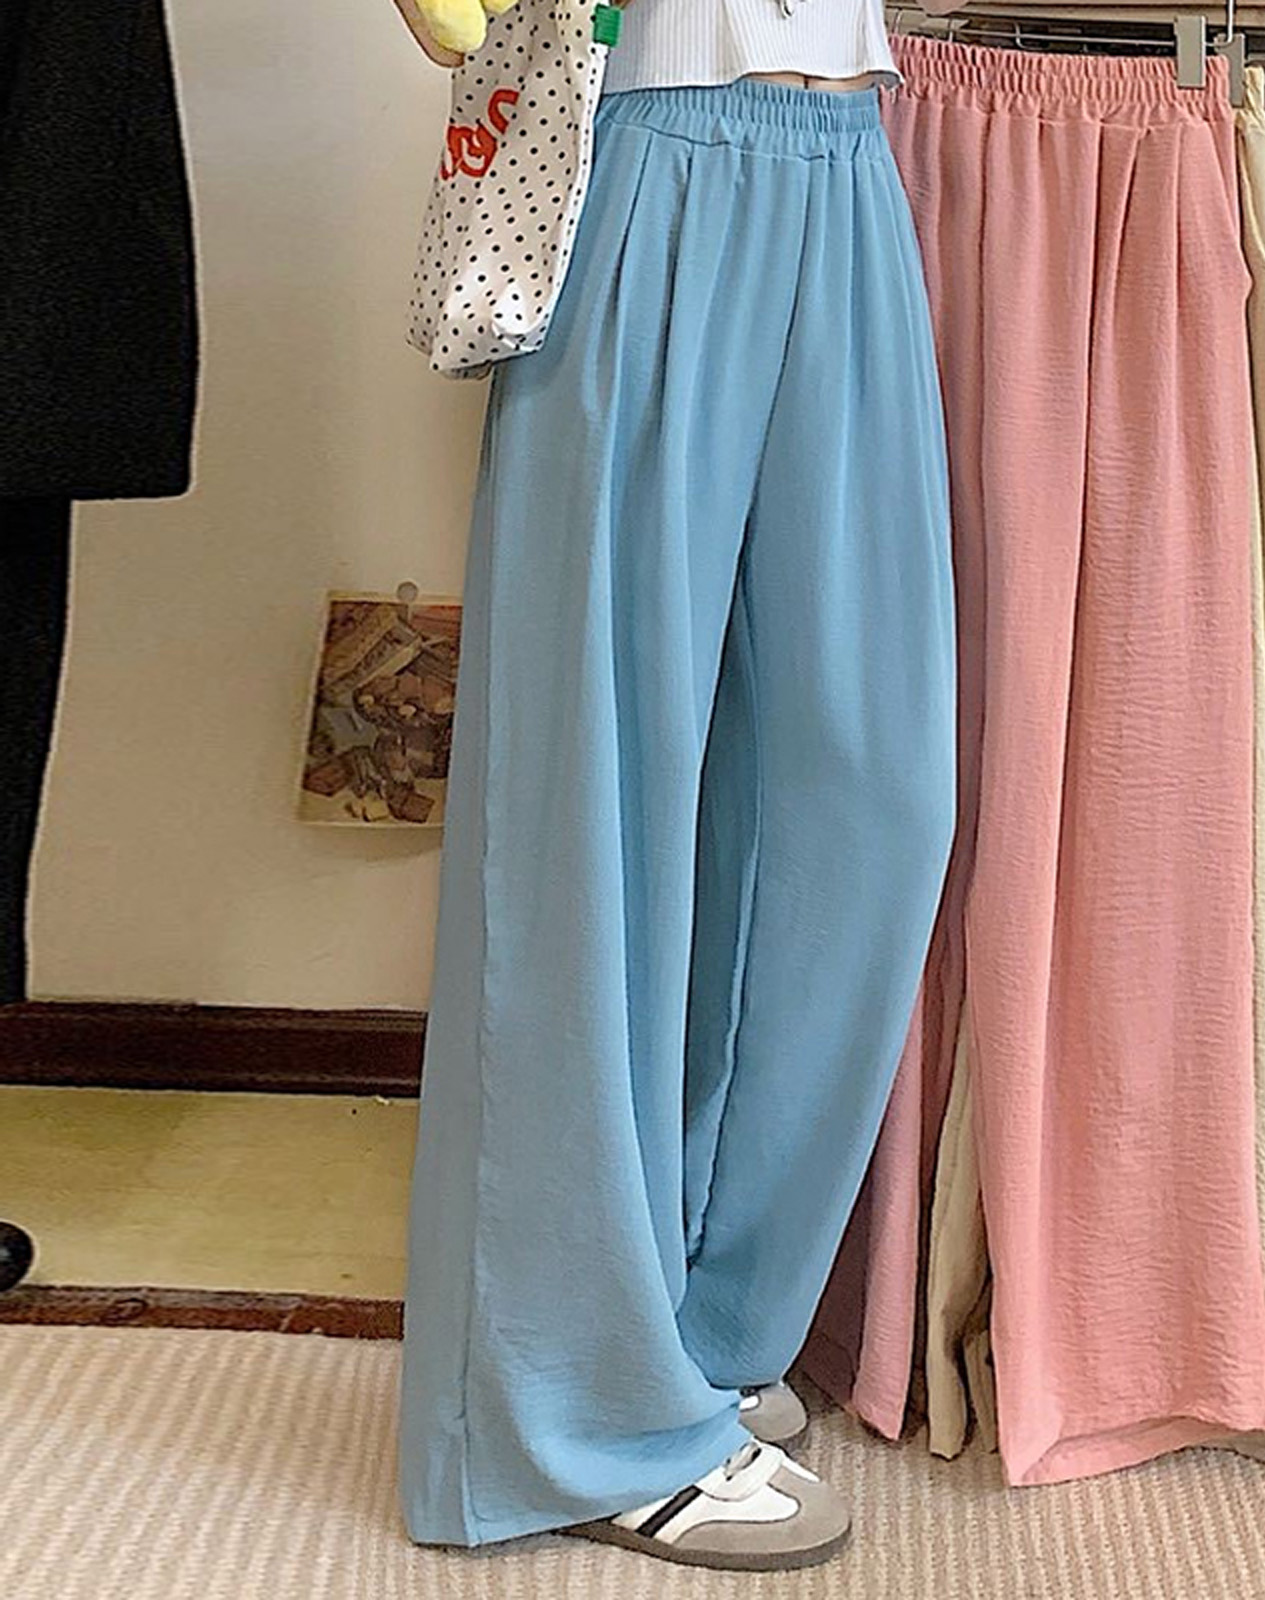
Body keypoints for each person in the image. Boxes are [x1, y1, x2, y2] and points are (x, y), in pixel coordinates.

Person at [397, 0, 957, 1571]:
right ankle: (570, 1411)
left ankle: (700, 1333)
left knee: (870, 792)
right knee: (592, 800)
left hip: (848, 155)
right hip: (647, 154)